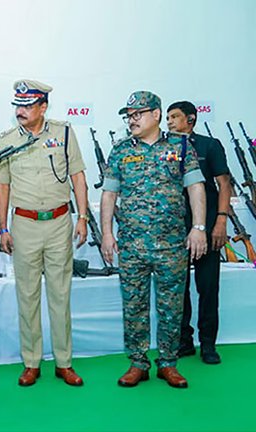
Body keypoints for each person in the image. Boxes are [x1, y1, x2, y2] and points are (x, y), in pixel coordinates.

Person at [100, 91, 208, 388]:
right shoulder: (121, 150)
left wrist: (198, 227)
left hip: (171, 244)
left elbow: (195, 187)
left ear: (156, 115)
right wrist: (107, 233)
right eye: (129, 116)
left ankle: (169, 363)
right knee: (134, 306)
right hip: (132, 245)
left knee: (171, 307)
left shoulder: (181, 146)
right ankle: (138, 363)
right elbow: (109, 194)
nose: (132, 120)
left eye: (138, 114)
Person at [0, 79, 88, 387]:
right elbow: (3, 186)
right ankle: (31, 362)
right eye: (17, 106)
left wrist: (83, 217)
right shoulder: (6, 140)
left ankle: (64, 363)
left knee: (60, 295)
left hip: (59, 223)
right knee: (27, 296)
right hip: (24, 225)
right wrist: (3, 228)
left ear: (43, 107)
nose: (20, 111)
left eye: (27, 106)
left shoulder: (64, 132)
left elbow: (78, 177)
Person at [167, 101, 231, 364]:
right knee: (177, 289)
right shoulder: (164, 148)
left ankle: (208, 344)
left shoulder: (209, 145)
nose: (169, 122)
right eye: (167, 117)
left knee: (208, 288)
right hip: (174, 229)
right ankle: (184, 341)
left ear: (190, 119)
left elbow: (224, 183)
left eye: (175, 117)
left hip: (207, 226)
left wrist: (221, 221)